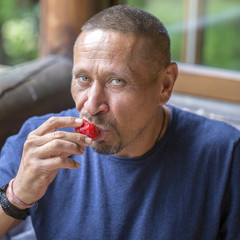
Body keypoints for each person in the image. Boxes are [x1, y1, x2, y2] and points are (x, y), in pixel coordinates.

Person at [0, 5, 240, 240]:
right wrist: (17, 195)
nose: (91, 105)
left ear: (165, 85)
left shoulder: (226, 153)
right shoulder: (39, 140)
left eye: (117, 81)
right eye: (83, 78)